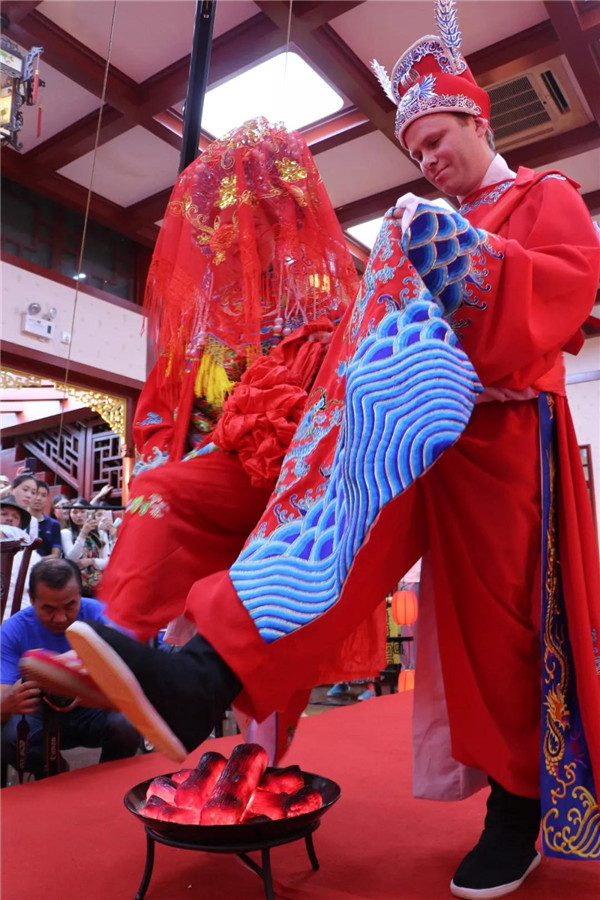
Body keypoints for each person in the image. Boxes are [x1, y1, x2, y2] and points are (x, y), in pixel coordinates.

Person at [23, 5, 600, 896]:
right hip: (409, 428)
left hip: (500, 437)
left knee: (499, 633)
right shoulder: (425, 221)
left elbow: (560, 293)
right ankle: (199, 676)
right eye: (415, 150)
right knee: (321, 537)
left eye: (437, 139)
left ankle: (517, 806)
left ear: (479, 121)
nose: (428, 159)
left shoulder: (541, 198)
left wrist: (457, 254)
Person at [2, 558, 140, 778]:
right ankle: (53, 774)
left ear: (80, 594)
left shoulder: (103, 616)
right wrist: (11, 699)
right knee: (9, 739)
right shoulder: (12, 631)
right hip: (39, 712)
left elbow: (136, 673)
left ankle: (108, 781)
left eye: (69, 606)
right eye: (48, 608)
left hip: (93, 707)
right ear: (32, 598)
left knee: (128, 722)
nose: (60, 618)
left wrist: (88, 682)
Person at [61, 500, 109, 597]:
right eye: (74, 512)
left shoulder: (101, 534)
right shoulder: (66, 533)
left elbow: (108, 561)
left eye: (82, 511)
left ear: (90, 512)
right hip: (75, 584)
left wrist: (91, 561)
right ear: (70, 515)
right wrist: (83, 533)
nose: (79, 515)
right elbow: (72, 558)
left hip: (98, 584)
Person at [29, 480, 62, 558]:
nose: (39, 498)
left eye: (43, 495)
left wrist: (35, 561)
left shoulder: (54, 524)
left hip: (45, 565)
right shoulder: (20, 520)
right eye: (35, 494)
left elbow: (55, 555)